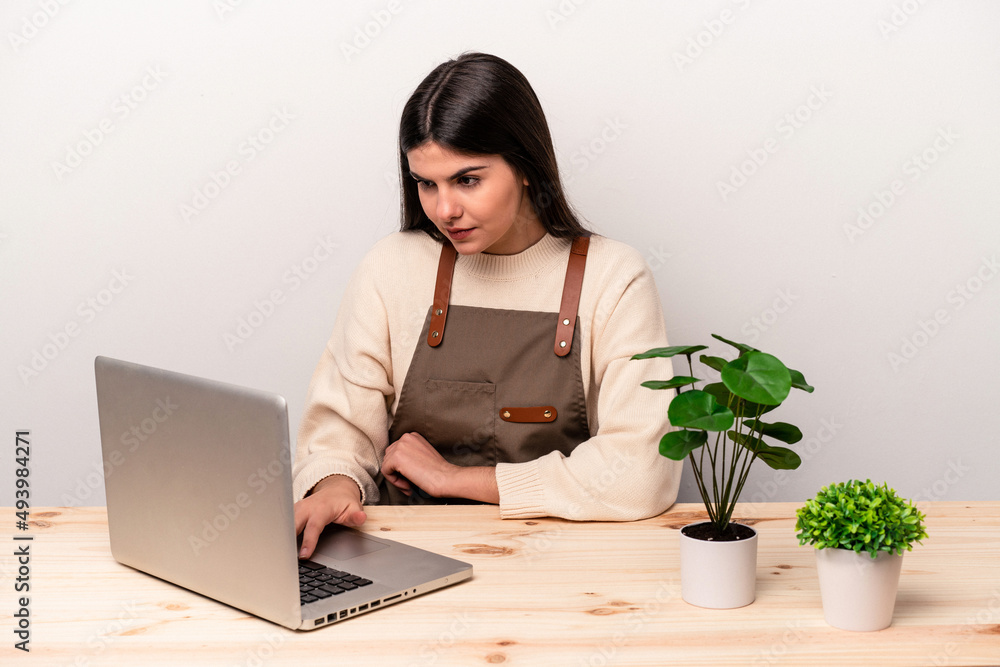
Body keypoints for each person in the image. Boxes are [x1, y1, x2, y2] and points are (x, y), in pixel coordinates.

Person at [292, 52, 681, 559]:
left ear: (524, 166)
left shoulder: (614, 277)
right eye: (426, 183)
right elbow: (339, 432)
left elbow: (640, 471)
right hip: (408, 561)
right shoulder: (391, 267)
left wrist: (457, 479)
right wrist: (336, 486)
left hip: (568, 567)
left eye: (467, 180)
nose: (445, 209)